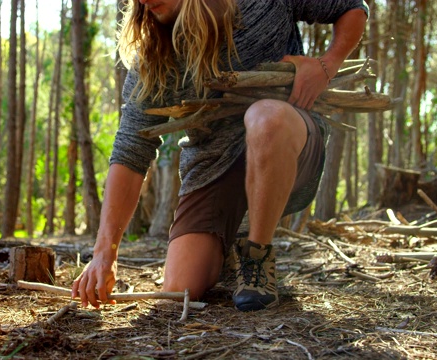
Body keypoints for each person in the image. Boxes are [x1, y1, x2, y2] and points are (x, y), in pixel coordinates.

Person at [72, 0, 368, 311]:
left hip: (288, 141)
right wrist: (105, 253)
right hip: (214, 165)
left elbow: (352, 8)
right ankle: (229, 245)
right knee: (180, 289)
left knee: (265, 118)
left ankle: (257, 257)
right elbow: (131, 151)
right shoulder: (154, 54)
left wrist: (327, 65)